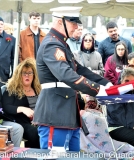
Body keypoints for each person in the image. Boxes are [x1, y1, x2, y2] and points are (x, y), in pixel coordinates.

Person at [33, 6, 112, 151]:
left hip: (67, 115)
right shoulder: (52, 44)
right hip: (55, 115)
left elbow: (80, 69)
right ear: (59, 22)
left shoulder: (61, 44)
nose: (76, 27)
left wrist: (107, 84)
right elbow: (66, 75)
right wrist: (98, 89)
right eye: (72, 22)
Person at [2, 58, 40, 148]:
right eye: (24, 73)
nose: (27, 76)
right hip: (21, 122)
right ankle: (33, 156)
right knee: (34, 131)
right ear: (19, 75)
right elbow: (6, 107)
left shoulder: (38, 89)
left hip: (39, 120)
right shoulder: (11, 89)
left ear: (34, 75)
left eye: (30, 73)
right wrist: (22, 109)